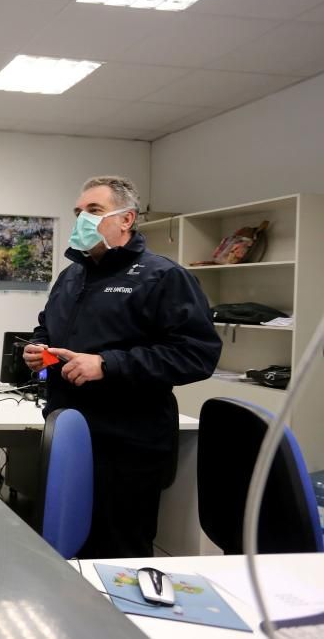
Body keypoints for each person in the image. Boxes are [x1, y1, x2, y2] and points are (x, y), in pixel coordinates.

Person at [23, 175, 221, 558]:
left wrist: (107, 365)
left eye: (94, 211)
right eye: (78, 212)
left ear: (126, 219)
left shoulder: (163, 276)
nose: (82, 219)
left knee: (117, 555)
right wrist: (39, 348)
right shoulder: (71, 276)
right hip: (70, 434)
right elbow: (48, 326)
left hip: (127, 446)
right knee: (66, 548)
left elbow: (197, 354)